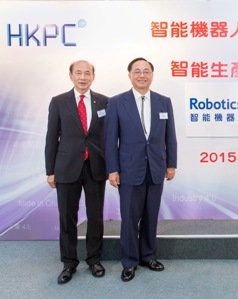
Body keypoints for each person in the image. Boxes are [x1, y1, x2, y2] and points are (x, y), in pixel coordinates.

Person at [105, 57, 177, 282]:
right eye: (137, 71)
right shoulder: (117, 102)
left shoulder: (164, 101)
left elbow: (170, 137)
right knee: (129, 218)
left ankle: (148, 256)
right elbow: (110, 140)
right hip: (128, 170)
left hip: (156, 168)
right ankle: (129, 262)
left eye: (146, 71)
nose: (142, 75)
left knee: (150, 216)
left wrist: (171, 163)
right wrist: (112, 169)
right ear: (129, 75)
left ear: (152, 75)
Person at [45, 60, 108, 284]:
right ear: (71, 76)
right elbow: (51, 138)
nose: (83, 77)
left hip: (96, 168)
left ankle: (94, 259)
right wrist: (50, 170)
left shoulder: (104, 102)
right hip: (66, 168)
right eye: (78, 73)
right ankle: (69, 262)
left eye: (87, 73)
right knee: (67, 218)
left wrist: (112, 167)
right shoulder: (59, 102)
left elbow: (107, 138)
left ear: (93, 76)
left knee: (95, 216)